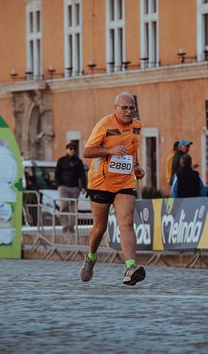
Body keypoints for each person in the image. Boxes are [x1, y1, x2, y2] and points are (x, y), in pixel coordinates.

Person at [80, 92, 146, 286]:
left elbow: (132, 151)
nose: (128, 111)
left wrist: (136, 167)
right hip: (101, 182)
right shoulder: (104, 125)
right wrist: (109, 150)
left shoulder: (137, 126)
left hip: (125, 181)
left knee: (126, 222)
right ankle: (91, 257)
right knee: (100, 228)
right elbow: (87, 151)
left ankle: (130, 267)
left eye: (131, 107)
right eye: (124, 108)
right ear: (115, 108)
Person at [55, 142, 87, 233]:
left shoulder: (78, 161)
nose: (72, 150)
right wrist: (59, 184)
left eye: (74, 149)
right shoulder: (61, 160)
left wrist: (83, 186)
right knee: (64, 205)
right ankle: (64, 225)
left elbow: (82, 174)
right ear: (67, 150)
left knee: (73, 209)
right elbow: (57, 173)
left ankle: (71, 226)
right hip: (64, 187)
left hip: (75, 187)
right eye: (70, 148)